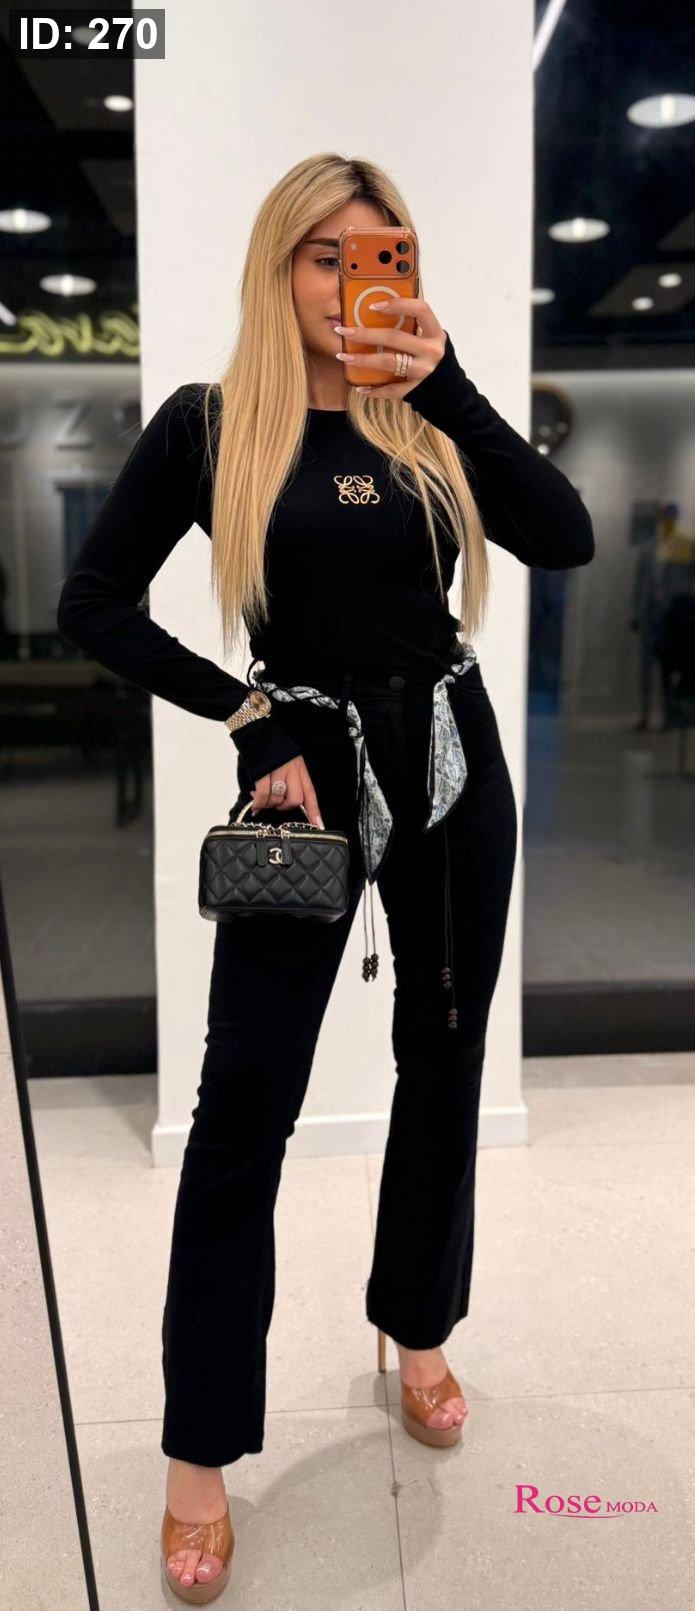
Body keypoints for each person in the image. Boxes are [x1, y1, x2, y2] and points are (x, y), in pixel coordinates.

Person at [57, 153, 595, 1602]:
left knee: (445, 1059)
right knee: (242, 1110)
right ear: (279, 264)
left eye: (384, 252)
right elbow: (93, 604)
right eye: (327, 255)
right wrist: (251, 716)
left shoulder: (426, 415)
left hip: (454, 766)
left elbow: (565, 536)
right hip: (301, 784)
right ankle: (197, 1454)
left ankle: (416, 1332)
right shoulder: (211, 424)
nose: (356, 280)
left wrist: (446, 377)